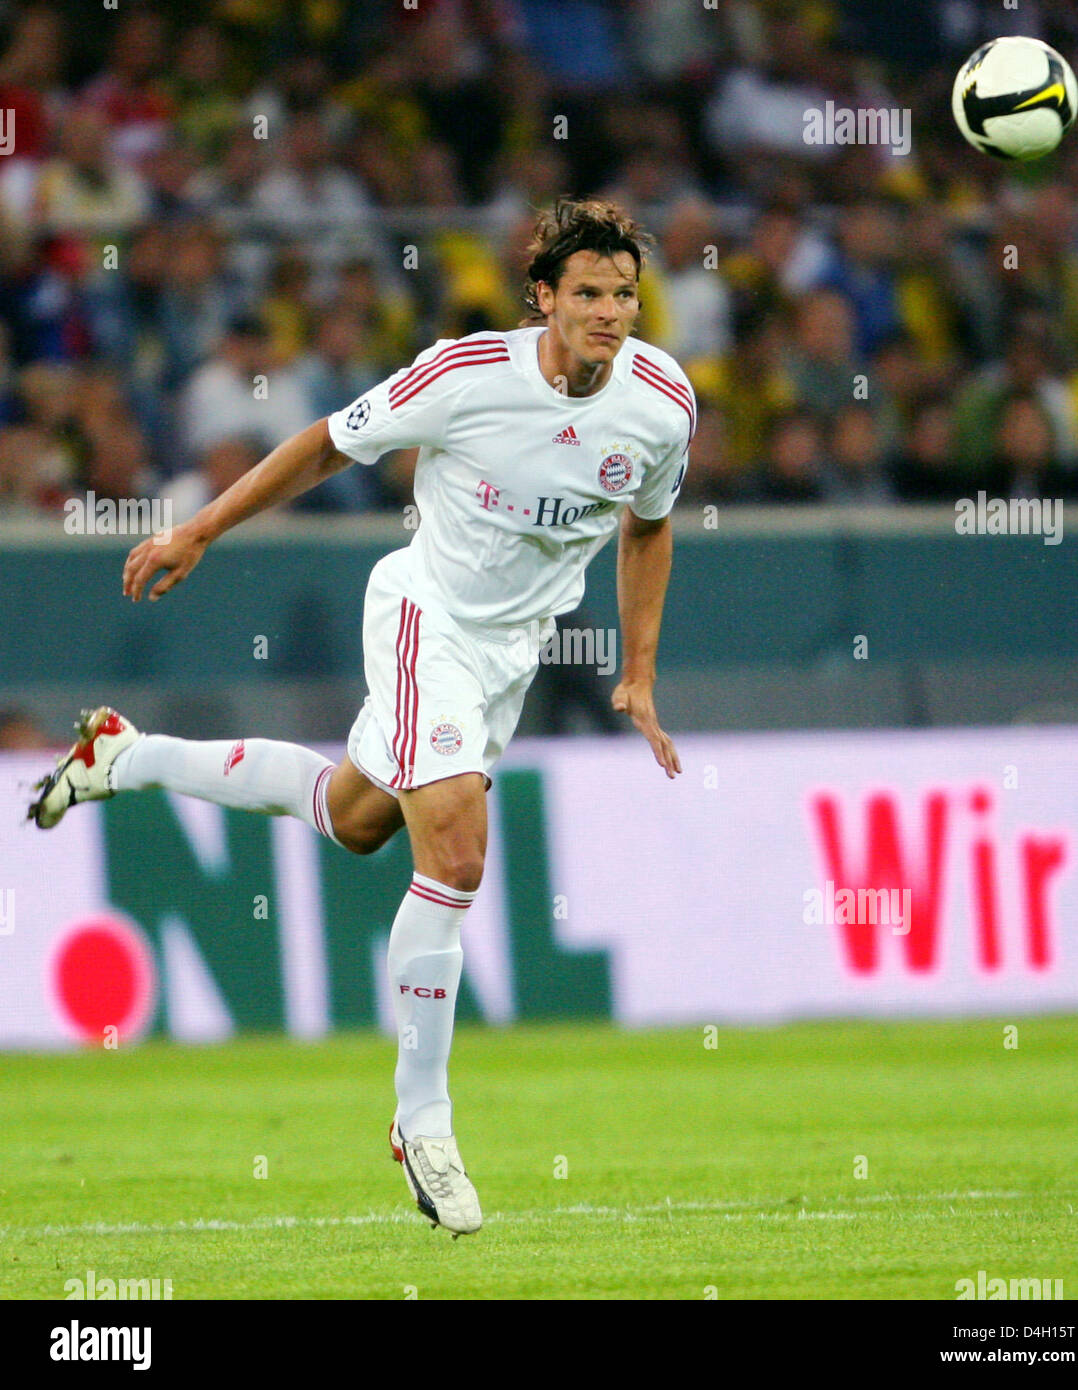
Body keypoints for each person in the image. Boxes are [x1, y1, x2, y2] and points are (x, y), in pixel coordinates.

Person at [28, 198, 694, 1237]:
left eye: (625, 294)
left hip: (509, 657)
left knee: (356, 818)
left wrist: (639, 671)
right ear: (545, 299)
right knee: (461, 854)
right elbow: (326, 445)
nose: (611, 312)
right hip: (428, 615)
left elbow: (647, 530)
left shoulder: (661, 404)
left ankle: (130, 754)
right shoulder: (466, 374)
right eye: (590, 294)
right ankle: (421, 1117)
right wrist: (200, 527)